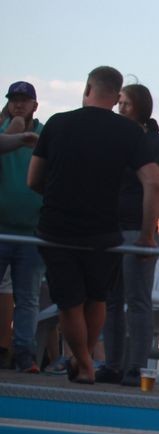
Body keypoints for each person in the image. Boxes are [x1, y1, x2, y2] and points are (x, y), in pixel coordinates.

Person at [27, 67, 159, 385]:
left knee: (70, 301)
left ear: (88, 87)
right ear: (116, 97)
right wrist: (146, 235)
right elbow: (154, 183)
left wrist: (60, 192)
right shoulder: (130, 133)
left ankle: (85, 362)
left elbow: (33, 178)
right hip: (104, 227)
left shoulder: (59, 123)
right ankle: (84, 360)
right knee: (97, 297)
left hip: (57, 225)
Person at [97, 83, 159, 386]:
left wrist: (147, 233)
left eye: (126, 104)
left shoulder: (151, 142)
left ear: (140, 107)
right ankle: (113, 364)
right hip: (112, 229)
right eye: (119, 103)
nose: (120, 109)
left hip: (136, 229)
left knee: (138, 300)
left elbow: (153, 186)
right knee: (112, 301)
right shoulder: (116, 140)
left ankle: (136, 366)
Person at [0, 81, 46, 374]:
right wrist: (14, 128)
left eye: (24, 100)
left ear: (35, 106)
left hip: (32, 232)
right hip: (0, 228)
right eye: (14, 99)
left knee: (28, 297)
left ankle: (25, 354)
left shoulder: (46, 136)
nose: (18, 104)